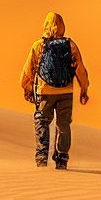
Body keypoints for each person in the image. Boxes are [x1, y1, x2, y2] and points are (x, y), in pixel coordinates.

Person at [20, 12, 90, 170]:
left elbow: (26, 73)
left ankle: (41, 159)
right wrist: (84, 88)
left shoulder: (38, 45)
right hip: (65, 92)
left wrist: (28, 87)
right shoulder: (70, 45)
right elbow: (80, 70)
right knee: (63, 124)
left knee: (42, 122)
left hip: (44, 91)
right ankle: (62, 160)